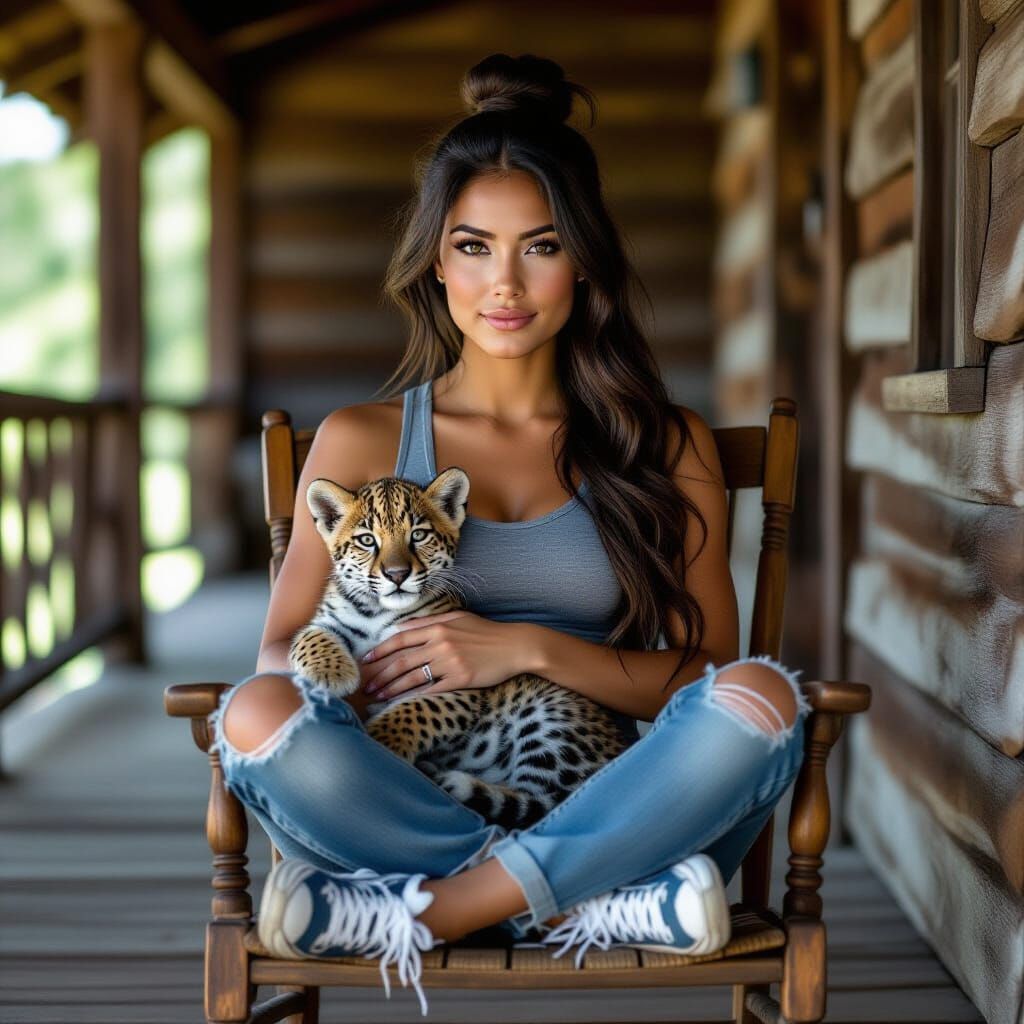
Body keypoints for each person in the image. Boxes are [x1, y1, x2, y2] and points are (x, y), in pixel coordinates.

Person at [208, 53, 812, 1017]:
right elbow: (280, 652)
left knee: (762, 699)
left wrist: (526, 649)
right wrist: (354, 675)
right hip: (419, 795)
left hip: (605, 788)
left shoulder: (665, 442)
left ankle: (436, 910)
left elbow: (701, 671)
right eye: (474, 245)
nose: (506, 283)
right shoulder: (364, 440)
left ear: (583, 258)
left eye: (539, 245)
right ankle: (605, 902)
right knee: (253, 713)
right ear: (437, 260)